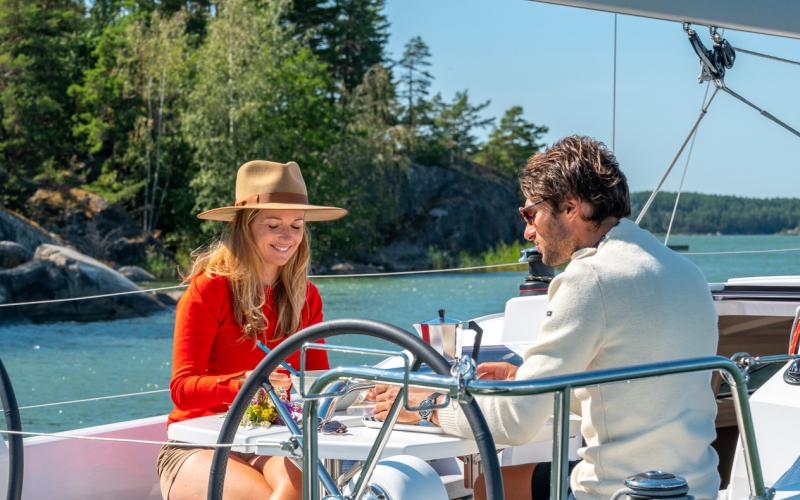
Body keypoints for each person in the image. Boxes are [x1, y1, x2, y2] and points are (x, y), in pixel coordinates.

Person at [373, 136, 720, 499]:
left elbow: (515, 423)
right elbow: (632, 395)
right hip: (695, 488)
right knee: (494, 483)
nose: (527, 231)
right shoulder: (686, 273)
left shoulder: (590, 278)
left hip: (618, 492)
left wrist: (426, 404)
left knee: (489, 486)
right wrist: (522, 379)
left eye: (531, 214)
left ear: (571, 208)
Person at [157, 160, 347, 500]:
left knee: (300, 487)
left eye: (297, 225)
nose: (288, 236)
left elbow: (316, 380)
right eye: (273, 224)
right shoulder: (208, 290)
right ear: (245, 228)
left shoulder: (306, 296)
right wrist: (245, 384)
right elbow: (182, 389)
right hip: (199, 444)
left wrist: (354, 389)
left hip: (270, 439)